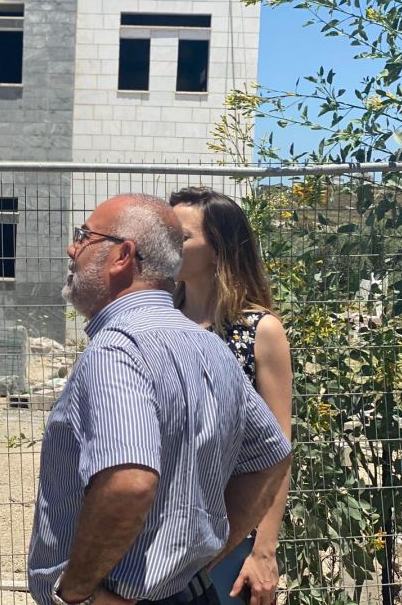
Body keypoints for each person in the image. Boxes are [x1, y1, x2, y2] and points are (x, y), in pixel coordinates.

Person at [27, 194, 292, 605]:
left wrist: (77, 594)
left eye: (84, 236)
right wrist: (200, 565)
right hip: (192, 592)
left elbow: (130, 483)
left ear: (123, 256)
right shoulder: (207, 344)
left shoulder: (119, 350)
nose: (71, 249)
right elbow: (271, 457)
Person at [170, 187, 293, 605]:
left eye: (181, 237)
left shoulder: (261, 331)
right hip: (162, 535)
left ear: (219, 247)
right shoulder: (159, 323)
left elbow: (279, 450)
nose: (166, 244)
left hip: (232, 537)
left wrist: (264, 552)